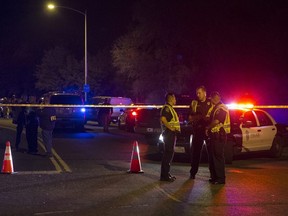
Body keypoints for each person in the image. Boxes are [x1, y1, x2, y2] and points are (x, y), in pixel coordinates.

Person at [205, 91, 230, 185]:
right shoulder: (215, 108)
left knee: (218, 157)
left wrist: (207, 127)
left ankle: (220, 178)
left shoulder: (221, 108)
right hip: (214, 135)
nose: (210, 100)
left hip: (219, 136)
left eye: (211, 99)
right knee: (213, 157)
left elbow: (216, 121)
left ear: (214, 98)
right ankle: (214, 177)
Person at [188, 86, 213, 179]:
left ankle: (213, 174)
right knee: (196, 153)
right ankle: (193, 173)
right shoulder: (194, 103)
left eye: (200, 93)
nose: (198, 95)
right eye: (197, 93)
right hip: (198, 131)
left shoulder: (210, 103)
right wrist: (198, 118)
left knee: (211, 153)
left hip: (208, 131)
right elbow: (190, 117)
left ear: (205, 93)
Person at [160, 93, 180, 182]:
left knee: (169, 154)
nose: (175, 100)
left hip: (170, 134)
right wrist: (171, 128)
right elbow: (163, 119)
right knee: (168, 154)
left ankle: (166, 174)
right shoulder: (167, 108)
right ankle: (164, 176)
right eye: (174, 98)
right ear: (171, 99)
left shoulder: (170, 108)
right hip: (169, 134)